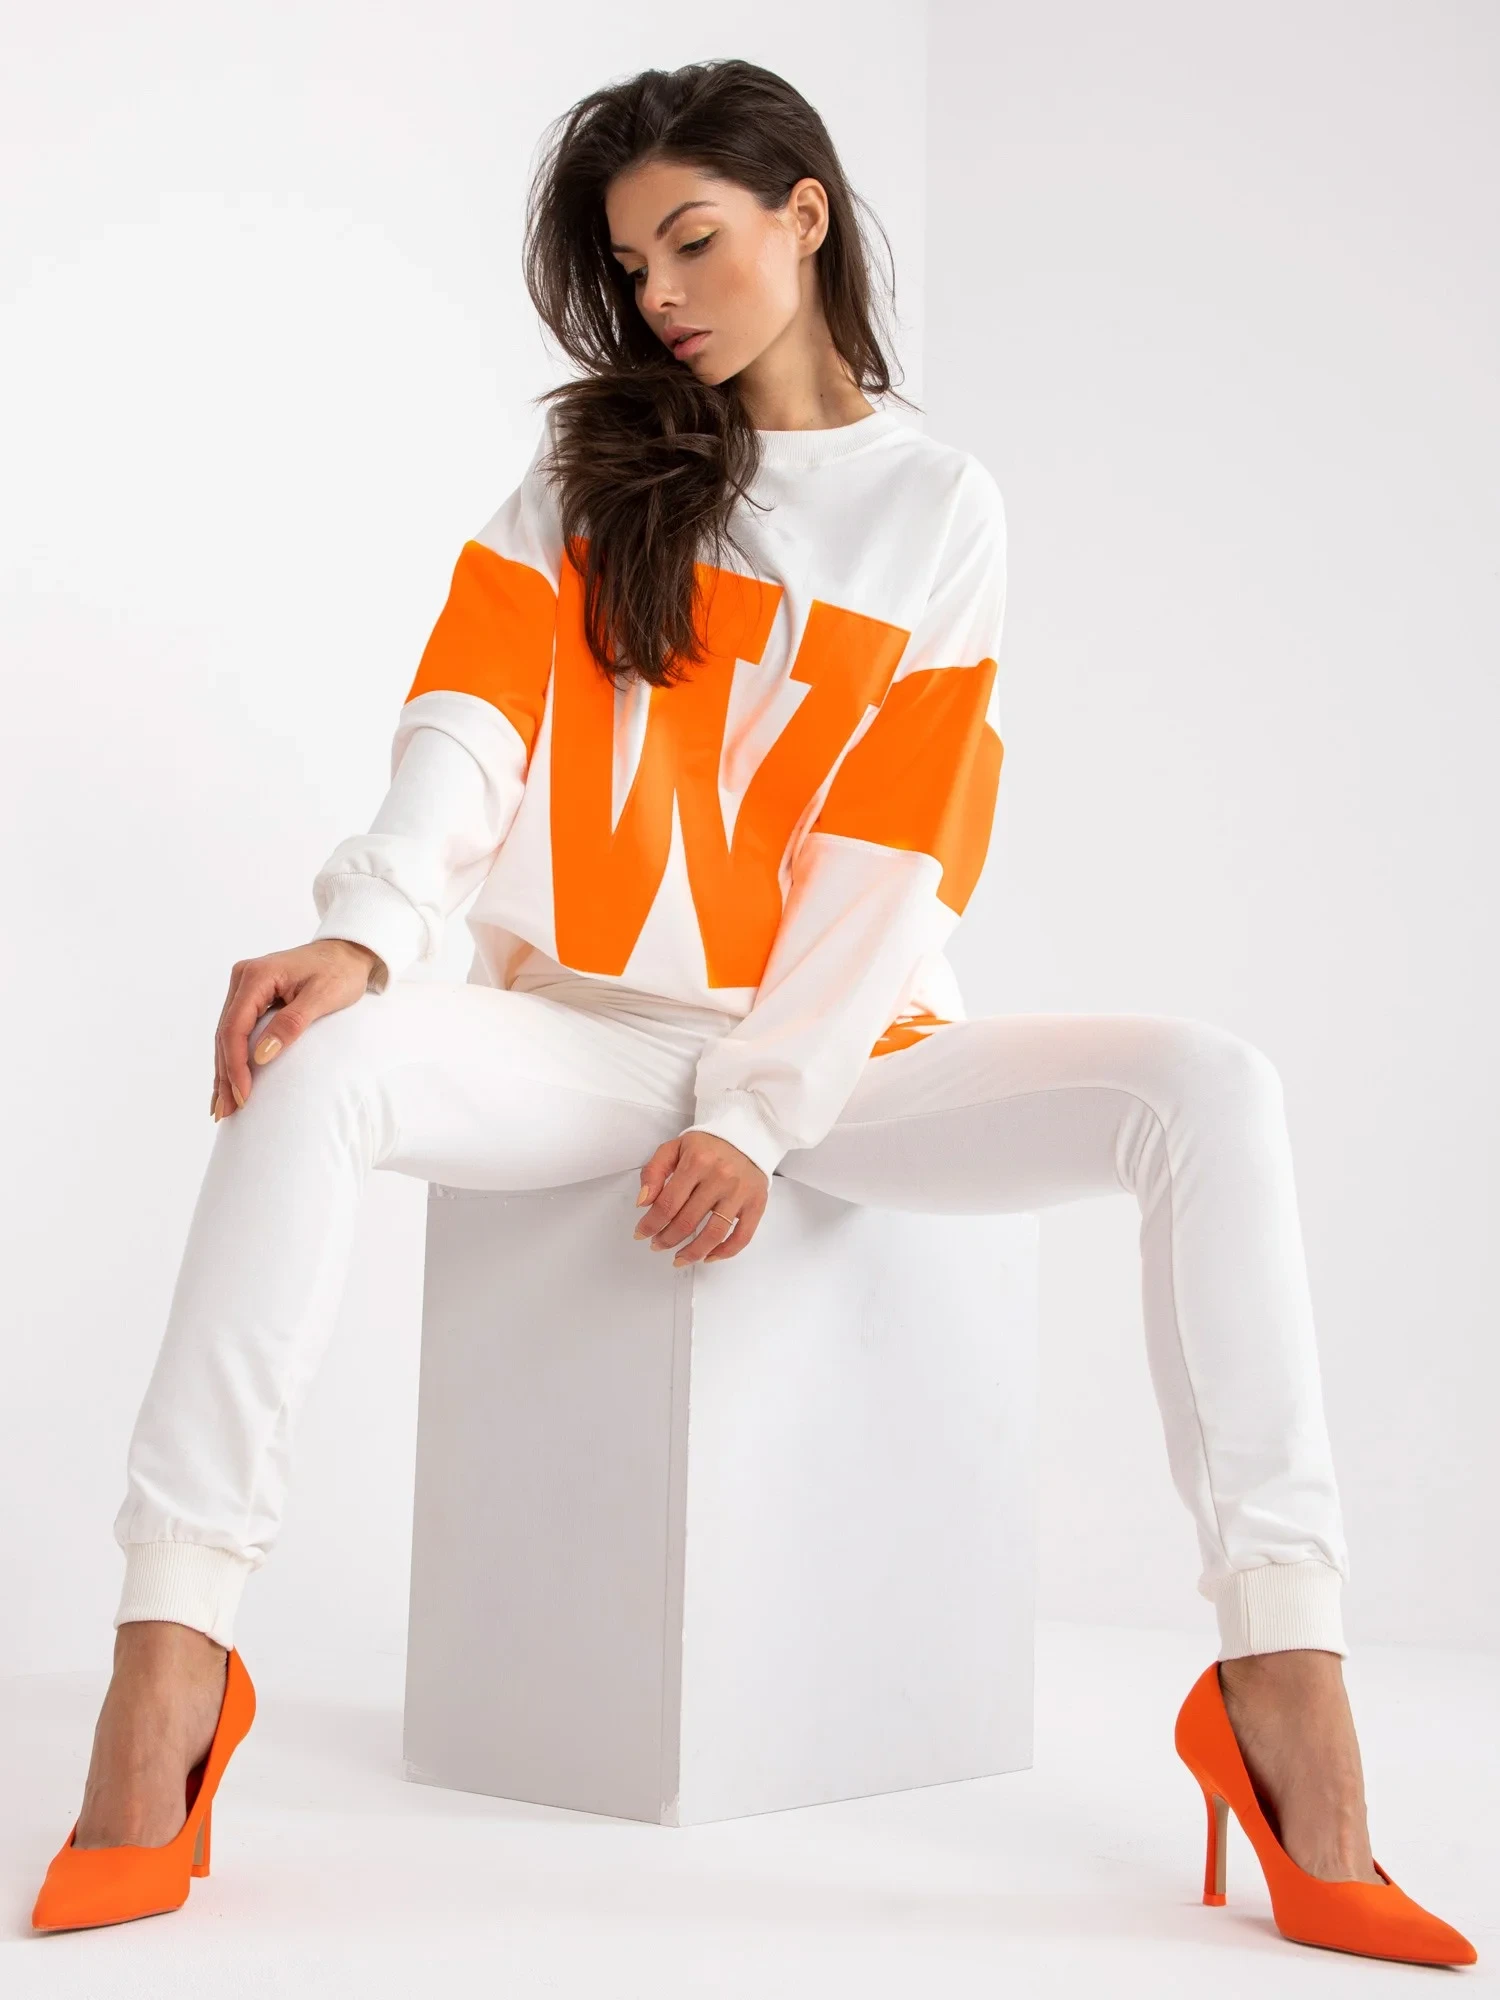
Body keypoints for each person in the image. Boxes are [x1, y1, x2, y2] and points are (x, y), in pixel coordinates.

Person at [32, 59, 1476, 1965]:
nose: (661, 298)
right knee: (318, 1070)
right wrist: (369, 934)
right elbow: (471, 718)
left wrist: (764, 1106)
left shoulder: (938, 508)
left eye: (693, 242)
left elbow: (901, 846)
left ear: (806, 213)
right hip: (581, 1034)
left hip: (845, 1055)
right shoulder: (588, 477)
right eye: (633, 266)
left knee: (1210, 1088)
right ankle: (169, 1668)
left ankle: (1284, 1686)